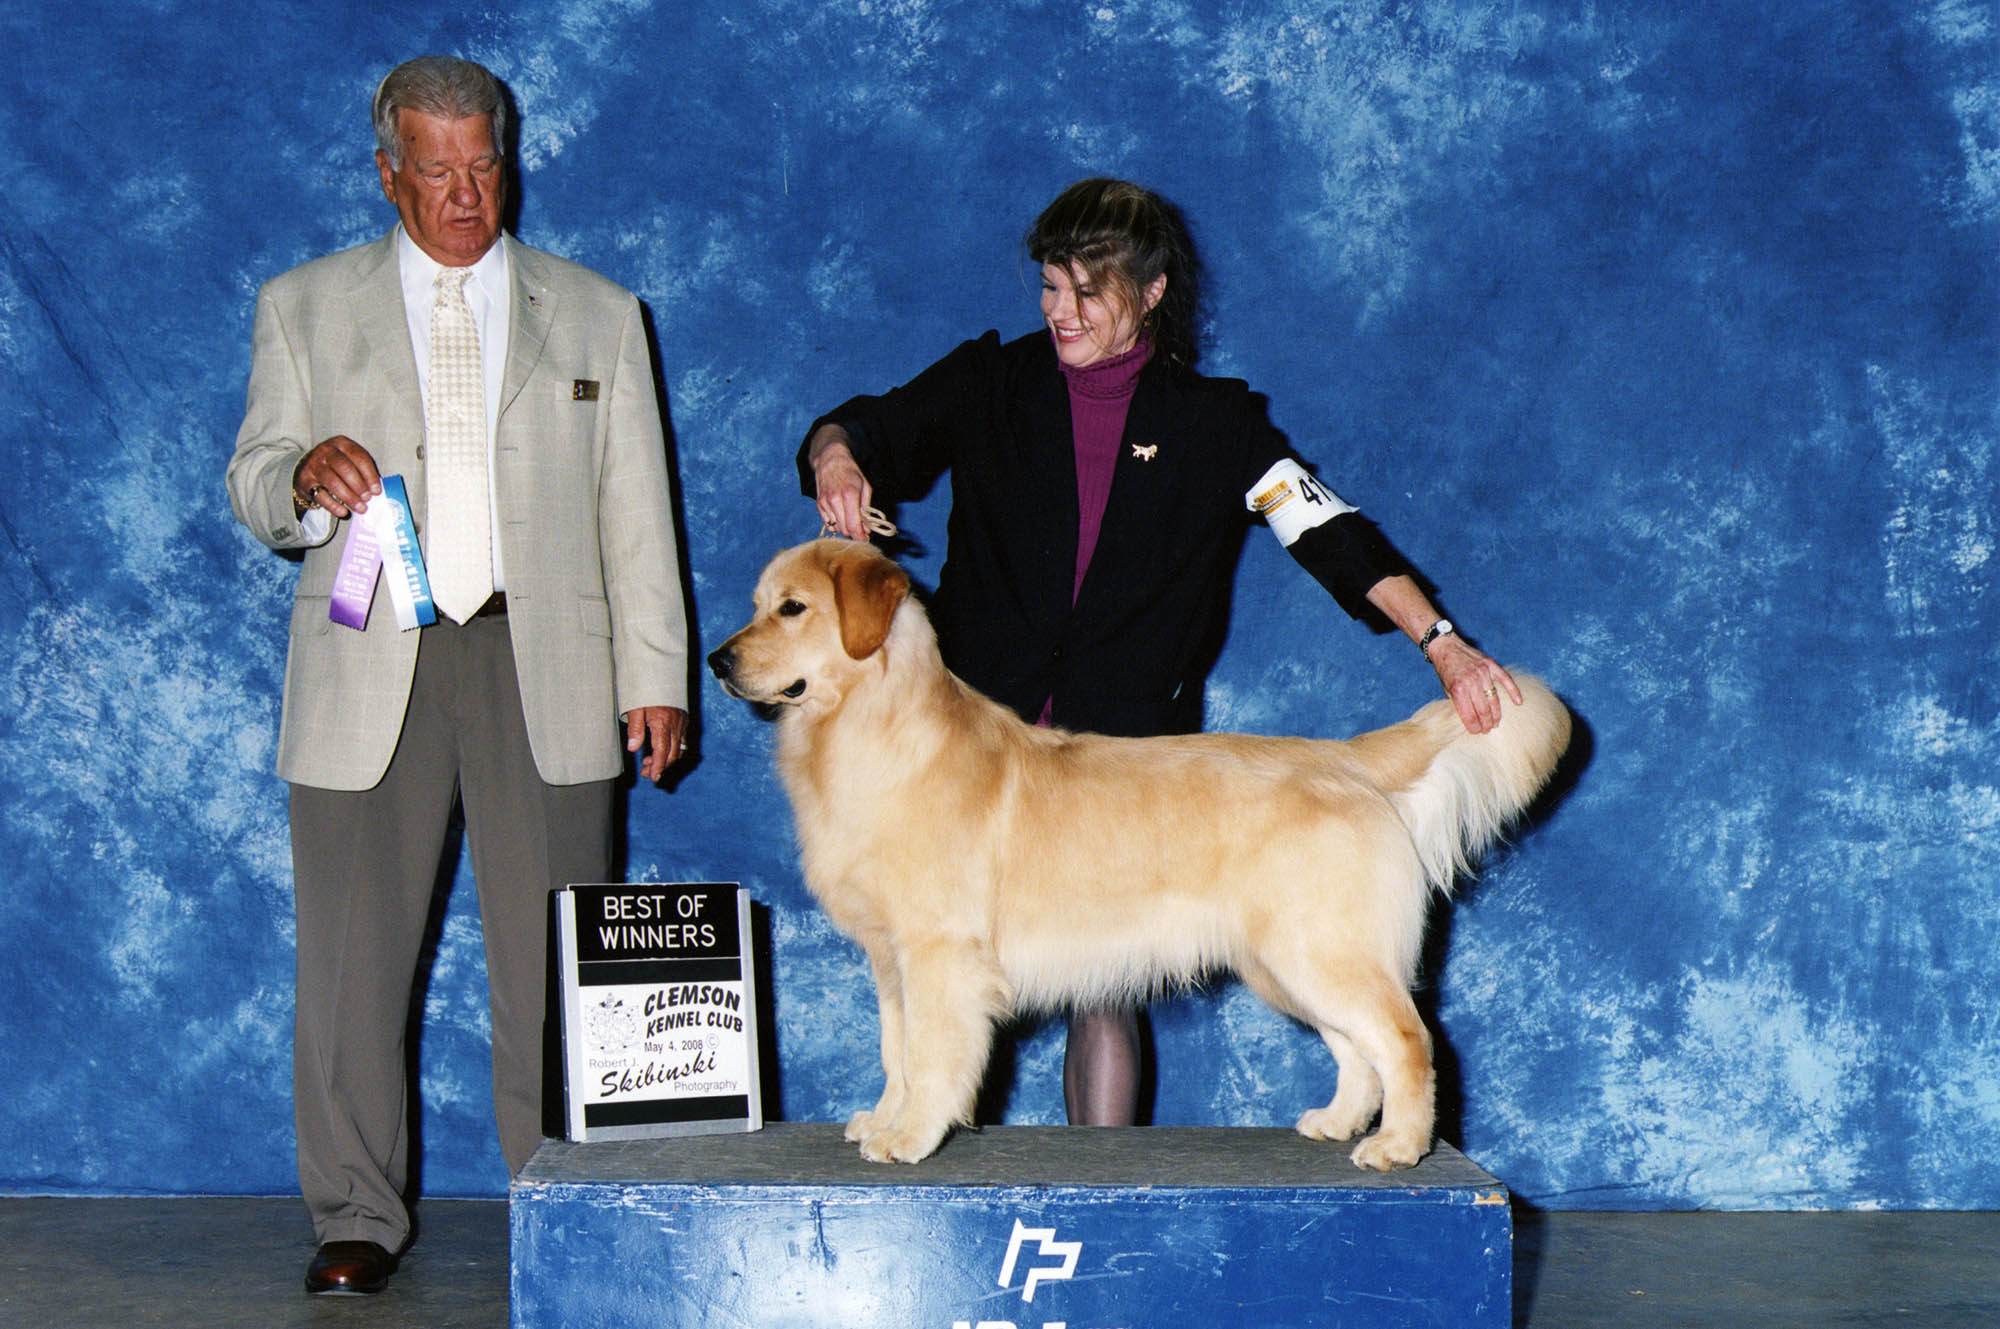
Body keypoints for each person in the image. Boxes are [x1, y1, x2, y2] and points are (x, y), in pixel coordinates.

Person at [802, 177, 1520, 1130]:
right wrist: (837, 460)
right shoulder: (991, 382)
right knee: (927, 948)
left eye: (1085, 291)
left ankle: (1104, 1193)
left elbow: (1325, 530)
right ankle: (932, 1149)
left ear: (1149, 292)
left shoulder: (1214, 422)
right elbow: (860, 425)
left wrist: (1441, 642)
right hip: (968, 745)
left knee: (1105, 987)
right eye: (1049, 287)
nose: (1059, 311)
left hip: (1125, 748)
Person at [225, 56, 689, 1296]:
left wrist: (657, 675)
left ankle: (563, 1201)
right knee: (349, 964)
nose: (463, 193)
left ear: (508, 159)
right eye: (433, 170)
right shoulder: (301, 305)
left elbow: (636, 508)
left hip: (552, 666)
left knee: (557, 962)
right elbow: (254, 474)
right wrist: (297, 481)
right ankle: (355, 1216)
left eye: (482, 165)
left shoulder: (597, 310)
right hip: (367, 651)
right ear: (386, 172)